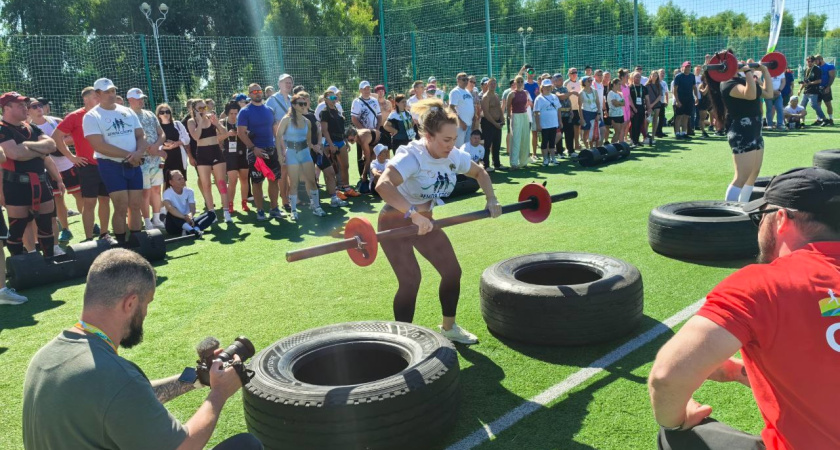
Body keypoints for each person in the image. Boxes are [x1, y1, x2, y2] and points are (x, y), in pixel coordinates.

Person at [649, 167, 840, 450]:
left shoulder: (764, 285)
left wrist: (676, 420)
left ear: (781, 218)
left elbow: (666, 378)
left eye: (758, 217)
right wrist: (739, 373)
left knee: (676, 435)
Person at [22, 248, 262, 449]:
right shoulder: (114, 376)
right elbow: (181, 447)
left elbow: (130, 399)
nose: (145, 313)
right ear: (130, 303)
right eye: (146, 304)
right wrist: (219, 393)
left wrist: (198, 379)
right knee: (245, 446)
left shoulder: (44, 358)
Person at [374, 97, 501, 344]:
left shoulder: (453, 155)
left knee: (452, 272)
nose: (451, 145)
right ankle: (401, 340)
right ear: (429, 136)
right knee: (411, 280)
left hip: (425, 222)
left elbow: (479, 172)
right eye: (446, 140)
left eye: (454, 139)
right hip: (395, 221)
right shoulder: (412, 156)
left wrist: (492, 199)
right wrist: (412, 213)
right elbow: (383, 185)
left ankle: (448, 327)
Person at [82, 78, 147, 246]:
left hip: (134, 162)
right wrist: (130, 155)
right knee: (121, 205)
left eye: (113, 91)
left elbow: (141, 135)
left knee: (135, 204)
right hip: (111, 165)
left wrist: (139, 152)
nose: (111, 94)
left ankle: (136, 242)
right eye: (106, 92)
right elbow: (99, 145)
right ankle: (121, 244)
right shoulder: (91, 116)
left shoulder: (127, 111)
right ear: (97, 94)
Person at [0, 91, 63, 260]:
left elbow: (51, 145)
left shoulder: (30, 126)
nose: (25, 108)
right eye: (20, 105)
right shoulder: (2, 128)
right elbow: (14, 153)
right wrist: (37, 149)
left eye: (25, 104)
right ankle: (20, 267)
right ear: (6, 108)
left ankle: (49, 261)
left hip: (41, 181)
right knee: (17, 228)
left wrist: (27, 146)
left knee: (46, 225)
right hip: (15, 185)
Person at [705, 52, 774, 203]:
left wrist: (765, 71)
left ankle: (743, 208)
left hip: (755, 130)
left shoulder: (743, 80)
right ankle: (728, 212)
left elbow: (769, 94)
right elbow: (749, 95)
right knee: (741, 176)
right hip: (741, 132)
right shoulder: (727, 83)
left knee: (753, 173)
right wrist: (748, 71)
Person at [53, 86, 112, 242]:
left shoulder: (105, 113)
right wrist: (72, 157)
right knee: (90, 202)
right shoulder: (75, 116)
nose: (99, 100)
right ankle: (88, 238)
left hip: (106, 164)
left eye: (100, 97)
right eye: (95, 97)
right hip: (87, 167)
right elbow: (56, 136)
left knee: (105, 200)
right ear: (85, 99)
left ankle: (105, 234)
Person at [27, 98, 77, 253]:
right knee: (35, 213)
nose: (38, 108)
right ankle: (35, 248)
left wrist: (60, 144)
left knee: (76, 198)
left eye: (39, 105)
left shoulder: (51, 122)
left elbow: (69, 137)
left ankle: (55, 246)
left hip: (61, 167)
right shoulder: (19, 129)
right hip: (35, 175)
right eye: (33, 106)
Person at [238, 83, 283, 221]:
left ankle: (274, 208)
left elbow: (276, 131)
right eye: (254, 91)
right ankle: (260, 210)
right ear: (249, 94)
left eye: (259, 91)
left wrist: (280, 148)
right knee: (257, 182)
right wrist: (253, 148)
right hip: (255, 152)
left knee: (274, 180)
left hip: (271, 149)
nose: (257, 93)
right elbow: (241, 133)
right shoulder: (245, 111)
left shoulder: (269, 110)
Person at [276, 91, 325, 219]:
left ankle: (316, 207)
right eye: (301, 103)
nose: (304, 106)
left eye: (305, 103)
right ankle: (293, 211)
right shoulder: (286, 119)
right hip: (291, 152)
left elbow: (308, 141)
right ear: (294, 105)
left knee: (312, 181)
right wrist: (280, 154)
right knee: (294, 183)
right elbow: (278, 136)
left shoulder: (307, 121)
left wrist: (308, 154)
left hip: (304, 153)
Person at [126, 88, 166, 230]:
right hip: (140, 161)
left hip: (155, 160)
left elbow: (161, 134)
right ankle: (147, 221)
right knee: (145, 192)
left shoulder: (150, 114)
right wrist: (147, 148)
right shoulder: (126, 116)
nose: (141, 101)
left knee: (156, 190)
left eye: (142, 98)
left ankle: (157, 218)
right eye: (137, 98)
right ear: (129, 100)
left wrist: (156, 146)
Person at [187, 98, 230, 223]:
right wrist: (199, 122)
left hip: (215, 151)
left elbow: (224, 132)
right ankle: (212, 213)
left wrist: (216, 123)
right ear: (194, 109)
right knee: (206, 184)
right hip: (202, 153)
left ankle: (226, 211)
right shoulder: (192, 121)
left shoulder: (212, 117)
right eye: (200, 108)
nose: (203, 110)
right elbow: (196, 137)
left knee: (221, 182)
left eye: (204, 107)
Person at [320, 91, 354, 202]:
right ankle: (335, 191)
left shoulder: (338, 111)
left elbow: (341, 128)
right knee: (332, 168)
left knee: (345, 166)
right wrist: (330, 144)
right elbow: (324, 130)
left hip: (340, 141)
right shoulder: (324, 112)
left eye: (335, 97)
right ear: (325, 99)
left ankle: (347, 188)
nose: (334, 99)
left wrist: (346, 141)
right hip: (331, 142)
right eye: (331, 97)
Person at [163, 170, 216, 236]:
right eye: (179, 179)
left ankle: (195, 230)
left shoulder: (189, 191)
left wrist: (190, 216)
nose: (183, 180)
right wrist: (184, 217)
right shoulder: (167, 193)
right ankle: (191, 230)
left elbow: (192, 209)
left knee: (212, 214)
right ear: (171, 182)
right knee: (171, 212)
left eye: (182, 178)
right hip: (173, 225)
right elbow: (170, 208)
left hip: (187, 220)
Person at [221, 101, 250, 214]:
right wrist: (227, 134)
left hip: (243, 153)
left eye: (236, 113)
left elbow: (250, 134)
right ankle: (230, 204)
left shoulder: (242, 122)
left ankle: (244, 203)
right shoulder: (222, 123)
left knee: (244, 179)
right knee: (232, 180)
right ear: (227, 113)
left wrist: (244, 133)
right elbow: (217, 138)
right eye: (231, 113)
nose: (234, 116)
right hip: (229, 154)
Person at [156, 103, 191, 190]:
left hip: (178, 156)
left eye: (167, 112)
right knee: (166, 182)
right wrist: (164, 147)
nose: (165, 114)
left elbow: (187, 139)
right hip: (164, 158)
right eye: (162, 112)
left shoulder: (177, 124)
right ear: (158, 115)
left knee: (181, 181)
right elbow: (154, 143)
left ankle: (184, 202)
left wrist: (176, 143)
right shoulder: (156, 127)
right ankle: (167, 203)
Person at [534, 79, 561, 165]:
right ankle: (545, 159)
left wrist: (560, 121)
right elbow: (536, 112)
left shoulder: (554, 96)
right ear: (542, 88)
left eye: (549, 86)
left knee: (552, 142)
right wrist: (538, 125)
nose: (548, 88)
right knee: (544, 142)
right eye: (546, 87)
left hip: (553, 123)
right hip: (544, 124)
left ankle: (553, 158)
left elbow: (558, 109)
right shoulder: (539, 98)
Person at [479, 77, 503, 172]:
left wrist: (502, 120)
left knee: (497, 144)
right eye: (491, 84)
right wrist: (494, 123)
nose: (493, 85)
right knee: (487, 145)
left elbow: (499, 109)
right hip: (488, 123)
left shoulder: (496, 95)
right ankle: (486, 165)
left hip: (497, 123)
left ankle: (497, 164)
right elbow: (486, 113)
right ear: (487, 85)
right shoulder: (485, 97)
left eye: (494, 83)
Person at [507, 76, 530, 170]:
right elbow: (508, 107)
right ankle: (514, 163)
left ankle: (524, 161)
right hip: (516, 116)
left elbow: (527, 103)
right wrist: (509, 116)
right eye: (518, 81)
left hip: (524, 116)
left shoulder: (525, 93)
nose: (520, 83)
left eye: (521, 81)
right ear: (515, 83)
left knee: (525, 138)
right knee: (516, 139)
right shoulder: (512, 94)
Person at [448, 72, 475, 148]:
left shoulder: (467, 91)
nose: (466, 81)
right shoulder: (455, 91)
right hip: (460, 125)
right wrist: (461, 122)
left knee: (466, 148)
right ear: (458, 80)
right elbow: (452, 108)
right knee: (459, 147)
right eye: (464, 79)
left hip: (469, 124)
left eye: (467, 79)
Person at [673, 62, 698, 140]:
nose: (688, 68)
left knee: (686, 116)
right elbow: (675, 90)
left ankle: (684, 133)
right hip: (680, 99)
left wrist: (696, 97)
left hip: (689, 99)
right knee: (679, 116)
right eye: (686, 67)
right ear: (682, 67)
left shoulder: (692, 76)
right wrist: (677, 100)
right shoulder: (678, 77)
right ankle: (677, 133)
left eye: (689, 67)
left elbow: (694, 87)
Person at [799, 56, 826, 126]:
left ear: (814, 62)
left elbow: (819, 81)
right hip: (806, 91)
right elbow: (805, 81)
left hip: (813, 91)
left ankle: (824, 119)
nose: (808, 63)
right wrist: (800, 89)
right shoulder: (806, 69)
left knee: (814, 105)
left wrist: (810, 83)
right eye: (807, 61)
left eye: (810, 61)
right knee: (802, 106)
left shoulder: (817, 69)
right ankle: (802, 122)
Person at [579, 76, 604, 148]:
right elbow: (579, 107)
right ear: (584, 83)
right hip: (586, 113)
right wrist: (582, 118)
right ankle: (588, 148)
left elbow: (598, 103)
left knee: (602, 129)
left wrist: (599, 113)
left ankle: (598, 147)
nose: (590, 82)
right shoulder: (581, 93)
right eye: (588, 81)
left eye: (591, 81)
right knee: (587, 132)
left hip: (595, 112)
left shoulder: (594, 91)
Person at [628, 73, 649, 146]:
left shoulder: (643, 88)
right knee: (634, 125)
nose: (638, 78)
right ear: (632, 78)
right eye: (636, 77)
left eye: (639, 77)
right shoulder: (630, 87)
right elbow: (628, 99)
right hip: (633, 109)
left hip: (641, 109)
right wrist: (631, 109)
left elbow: (647, 99)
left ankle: (636, 140)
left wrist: (648, 108)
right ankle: (633, 140)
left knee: (640, 124)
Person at [564, 67, 582, 150]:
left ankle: (577, 144)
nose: (574, 74)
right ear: (569, 74)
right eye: (572, 72)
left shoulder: (580, 82)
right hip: (569, 109)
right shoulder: (566, 83)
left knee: (577, 127)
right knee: (570, 129)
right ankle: (569, 147)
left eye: (575, 72)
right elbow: (564, 96)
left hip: (578, 108)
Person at [644, 71, 663, 144]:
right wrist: (649, 106)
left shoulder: (659, 85)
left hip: (656, 105)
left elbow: (659, 96)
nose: (654, 77)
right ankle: (645, 136)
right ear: (650, 76)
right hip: (648, 106)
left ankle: (653, 137)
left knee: (655, 120)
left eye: (656, 75)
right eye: (653, 75)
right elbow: (645, 97)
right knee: (648, 121)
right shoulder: (647, 85)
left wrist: (652, 104)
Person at [816, 55, 835, 126]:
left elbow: (832, 77)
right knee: (817, 105)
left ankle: (830, 119)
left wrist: (828, 87)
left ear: (820, 59)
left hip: (825, 87)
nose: (815, 62)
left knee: (828, 104)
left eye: (816, 61)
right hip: (817, 88)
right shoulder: (817, 67)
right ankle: (818, 119)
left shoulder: (830, 66)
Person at [607, 79, 626, 144]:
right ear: (614, 84)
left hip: (620, 114)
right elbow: (615, 104)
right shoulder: (611, 93)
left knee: (620, 131)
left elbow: (624, 103)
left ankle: (616, 146)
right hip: (614, 115)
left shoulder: (619, 93)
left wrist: (619, 103)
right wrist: (619, 103)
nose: (620, 86)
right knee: (617, 132)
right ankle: (612, 146)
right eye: (619, 84)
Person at [656, 68, 670, 137]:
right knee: (655, 118)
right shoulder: (656, 82)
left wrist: (667, 101)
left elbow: (666, 92)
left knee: (662, 117)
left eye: (663, 73)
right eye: (661, 72)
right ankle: (655, 131)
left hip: (662, 102)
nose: (662, 74)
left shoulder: (664, 83)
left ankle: (659, 131)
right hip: (656, 102)